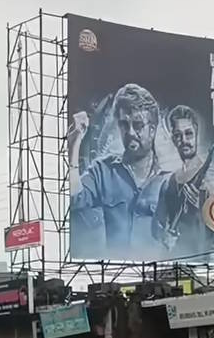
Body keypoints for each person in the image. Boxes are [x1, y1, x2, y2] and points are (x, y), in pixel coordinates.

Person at [68, 83, 166, 258]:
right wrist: (74, 143)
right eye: (124, 124)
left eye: (138, 125)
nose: (130, 132)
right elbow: (74, 198)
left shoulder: (169, 179)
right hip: (115, 270)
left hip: (159, 270)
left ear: (152, 130)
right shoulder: (103, 171)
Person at [154, 105, 214, 258]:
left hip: (201, 263)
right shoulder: (170, 182)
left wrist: (201, 209)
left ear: (196, 134)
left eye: (188, 134)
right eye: (178, 135)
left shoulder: (210, 180)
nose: (184, 141)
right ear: (173, 139)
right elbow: (156, 223)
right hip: (171, 262)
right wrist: (164, 235)